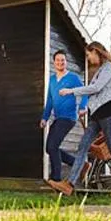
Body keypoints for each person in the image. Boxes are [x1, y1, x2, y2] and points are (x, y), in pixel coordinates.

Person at [47, 41, 111, 199]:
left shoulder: (108, 67)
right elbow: (94, 93)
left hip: (108, 111)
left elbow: (96, 89)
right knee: (82, 146)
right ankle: (69, 185)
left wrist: (71, 91)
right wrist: (85, 108)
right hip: (97, 113)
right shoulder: (99, 71)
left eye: (89, 55)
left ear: (96, 52)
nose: (88, 59)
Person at [41, 50, 88, 183]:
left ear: (66, 62)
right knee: (49, 148)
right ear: (54, 62)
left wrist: (83, 107)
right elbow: (50, 100)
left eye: (63, 60)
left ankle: (56, 178)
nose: (60, 62)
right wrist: (44, 117)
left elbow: (84, 92)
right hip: (57, 117)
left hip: (68, 117)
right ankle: (80, 164)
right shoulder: (52, 79)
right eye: (58, 60)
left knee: (52, 146)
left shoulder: (73, 78)